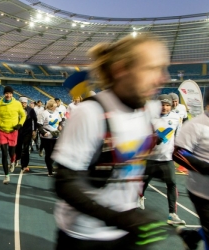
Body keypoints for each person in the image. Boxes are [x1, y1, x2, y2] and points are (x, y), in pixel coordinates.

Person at [52, 34, 171, 249]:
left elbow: (135, 160)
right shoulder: (90, 113)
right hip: (84, 237)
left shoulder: (148, 108)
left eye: (163, 69)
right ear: (121, 70)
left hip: (125, 233)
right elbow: (65, 184)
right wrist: (121, 219)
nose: (164, 78)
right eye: (151, 69)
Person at [138, 94, 185, 225]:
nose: (164, 107)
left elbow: (178, 135)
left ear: (171, 106)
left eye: (167, 105)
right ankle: (139, 198)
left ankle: (172, 214)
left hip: (167, 158)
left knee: (171, 184)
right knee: (143, 182)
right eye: (162, 104)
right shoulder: (149, 117)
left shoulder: (176, 118)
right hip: (150, 158)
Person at [173, 88, 209, 250]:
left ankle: (191, 236)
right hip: (202, 194)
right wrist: (205, 168)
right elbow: (178, 154)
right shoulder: (195, 125)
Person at [0, 86, 26, 184]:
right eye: (6, 93)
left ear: (12, 94)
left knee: (12, 152)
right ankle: (6, 176)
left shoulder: (17, 104)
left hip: (13, 131)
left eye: (10, 93)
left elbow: (23, 115)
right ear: (4, 94)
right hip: (2, 131)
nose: (8, 95)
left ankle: (13, 161)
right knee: (4, 153)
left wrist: (20, 124)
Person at [37, 99, 62, 176]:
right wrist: (43, 132)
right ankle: (50, 171)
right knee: (49, 154)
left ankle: (50, 165)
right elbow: (39, 125)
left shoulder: (57, 113)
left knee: (56, 153)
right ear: (50, 107)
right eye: (54, 107)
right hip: (47, 137)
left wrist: (60, 126)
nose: (55, 108)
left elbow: (60, 121)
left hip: (55, 136)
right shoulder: (43, 113)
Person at [15, 97, 37, 172]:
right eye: (22, 103)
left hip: (27, 131)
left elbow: (35, 120)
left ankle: (24, 165)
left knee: (26, 148)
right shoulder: (16, 109)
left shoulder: (31, 110)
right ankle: (17, 158)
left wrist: (34, 130)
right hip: (17, 131)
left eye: (24, 103)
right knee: (18, 147)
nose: (23, 104)